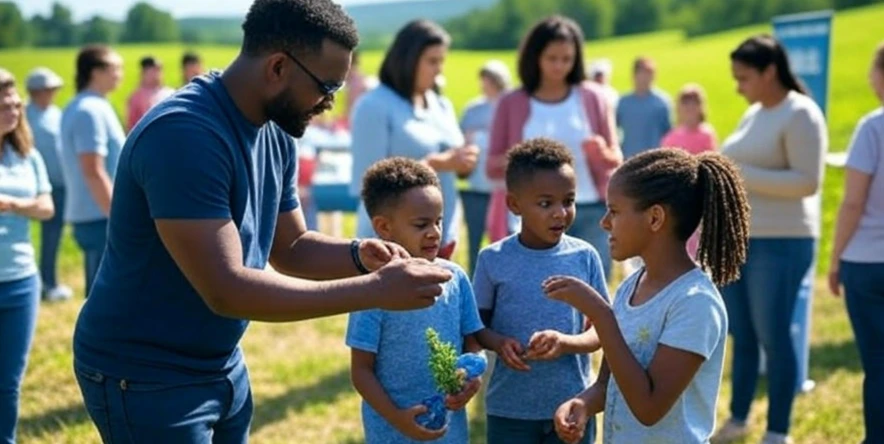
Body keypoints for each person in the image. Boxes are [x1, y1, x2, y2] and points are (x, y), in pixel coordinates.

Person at [71, 1, 454, 442]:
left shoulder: (276, 127)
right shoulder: (185, 135)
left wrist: (360, 256)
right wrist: (376, 290)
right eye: (326, 86)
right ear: (277, 67)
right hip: (145, 374)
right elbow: (226, 289)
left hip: (220, 361)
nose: (330, 103)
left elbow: (291, 248)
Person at [549, 148, 750, 444]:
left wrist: (601, 315)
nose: (604, 222)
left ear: (655, 218)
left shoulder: (695, 303)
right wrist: (583, 403)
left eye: (615, 211)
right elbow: (608, 382)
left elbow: (649, 407)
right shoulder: (632, 286)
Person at [714, 35, 828, 444]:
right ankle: (739, 419)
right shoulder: (755, 113)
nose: (738, 86)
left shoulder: (801, 114)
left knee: (773, 335)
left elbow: (807, 182)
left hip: (783, 241)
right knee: (742, 335)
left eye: (743, 77)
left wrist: (734, 170)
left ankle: (778, 431)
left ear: (769, 72)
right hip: (744, 242)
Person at [473, 138, 609, 444]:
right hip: (509, 410)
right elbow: (476, 326)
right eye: (546, 203)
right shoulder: (492, 259)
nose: (560, 213)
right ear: (514, 204)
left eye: (568, 200)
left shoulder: (585, 256)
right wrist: (499, 342)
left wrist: (566, 342)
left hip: (573, 406)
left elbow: (603, 330)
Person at [348, 157, 484, 443]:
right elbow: (361, 371)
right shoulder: (373, 289)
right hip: (392, 432)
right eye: (422, 224)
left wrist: (471, 379)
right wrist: (398, 418)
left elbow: (474, 344)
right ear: (384, 227)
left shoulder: (455, 278)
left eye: (438, 221)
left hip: (449, 432)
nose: (435, 232)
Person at [485, 15, 621, 279]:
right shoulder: (511, 102)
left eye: (566, 59)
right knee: (539, 288)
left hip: (590, 206)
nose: (559, 66)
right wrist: (524, 161)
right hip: (536, 213)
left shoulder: (593, 97)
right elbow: (491, 167)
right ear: (535, 57)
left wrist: (601, 153)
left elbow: (616, 157)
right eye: (552, 58)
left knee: (592, 290)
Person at [349, 19, 478, 261]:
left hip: (442, 238)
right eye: (432, 61)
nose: (439, 69)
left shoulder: (441, 105)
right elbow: (367, 183)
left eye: (442, 61)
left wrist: (463, 165)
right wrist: (436, 163)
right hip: (391, 247)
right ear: (408, 59)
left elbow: (453, 169)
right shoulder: (373, 106)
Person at [827, 42, 884, 444]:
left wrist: (834, 260)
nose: (868, 79)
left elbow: (852, 202)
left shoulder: (873, 127)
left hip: (867, 261)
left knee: (879, 364)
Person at [0, 68, 55, 444]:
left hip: (20, 282)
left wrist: (14, 204)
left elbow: (47, 207)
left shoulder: (26, 155)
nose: (14, 108)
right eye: (5, 103)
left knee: (8, 383)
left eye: (16, 102)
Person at [60, 44, 126, 298]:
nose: (119, 73)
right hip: (99, 216)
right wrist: (118, 215)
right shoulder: (89, 111)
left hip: (97, 214)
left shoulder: (91, 105)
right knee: (105, 295)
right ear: (95, 72)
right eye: (114, 67)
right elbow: (92, 169)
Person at [24, 67, 72, 302]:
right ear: (36, 91)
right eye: (49, 89)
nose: (53, 93)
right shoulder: (23, 115)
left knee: (53, 235)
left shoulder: (56, 113)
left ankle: (48, 282)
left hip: (59, 186)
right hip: (33, 187)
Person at [459, 59, 510, 274]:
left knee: (503, 239)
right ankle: (473, 279)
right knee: (474, 239)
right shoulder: (473, 109)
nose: (484, 83)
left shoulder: (509, 106)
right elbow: (461, 140)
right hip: (475, 186)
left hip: (502, 188)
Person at [660, 83, 717, 259]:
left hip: (701, 195)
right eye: (686, 103)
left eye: (694, 103)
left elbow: (713, 163)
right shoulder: (672, 137)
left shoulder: (707, 134)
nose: (690, 108)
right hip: (678, 197)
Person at [617, 57, 672, 159]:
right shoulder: (623, 103)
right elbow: (614, 129)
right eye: (644, 73)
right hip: (629, 159)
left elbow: (669, 133)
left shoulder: (662, 102)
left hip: (655, 159)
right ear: (634, 75)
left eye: (650, 73)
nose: (647, 77)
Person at [127, 56, 174, 131]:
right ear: (143, 73)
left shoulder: (171, 93)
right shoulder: (136, 97)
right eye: (153, 70)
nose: (157, 74)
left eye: (159, 70)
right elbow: (131, 125)